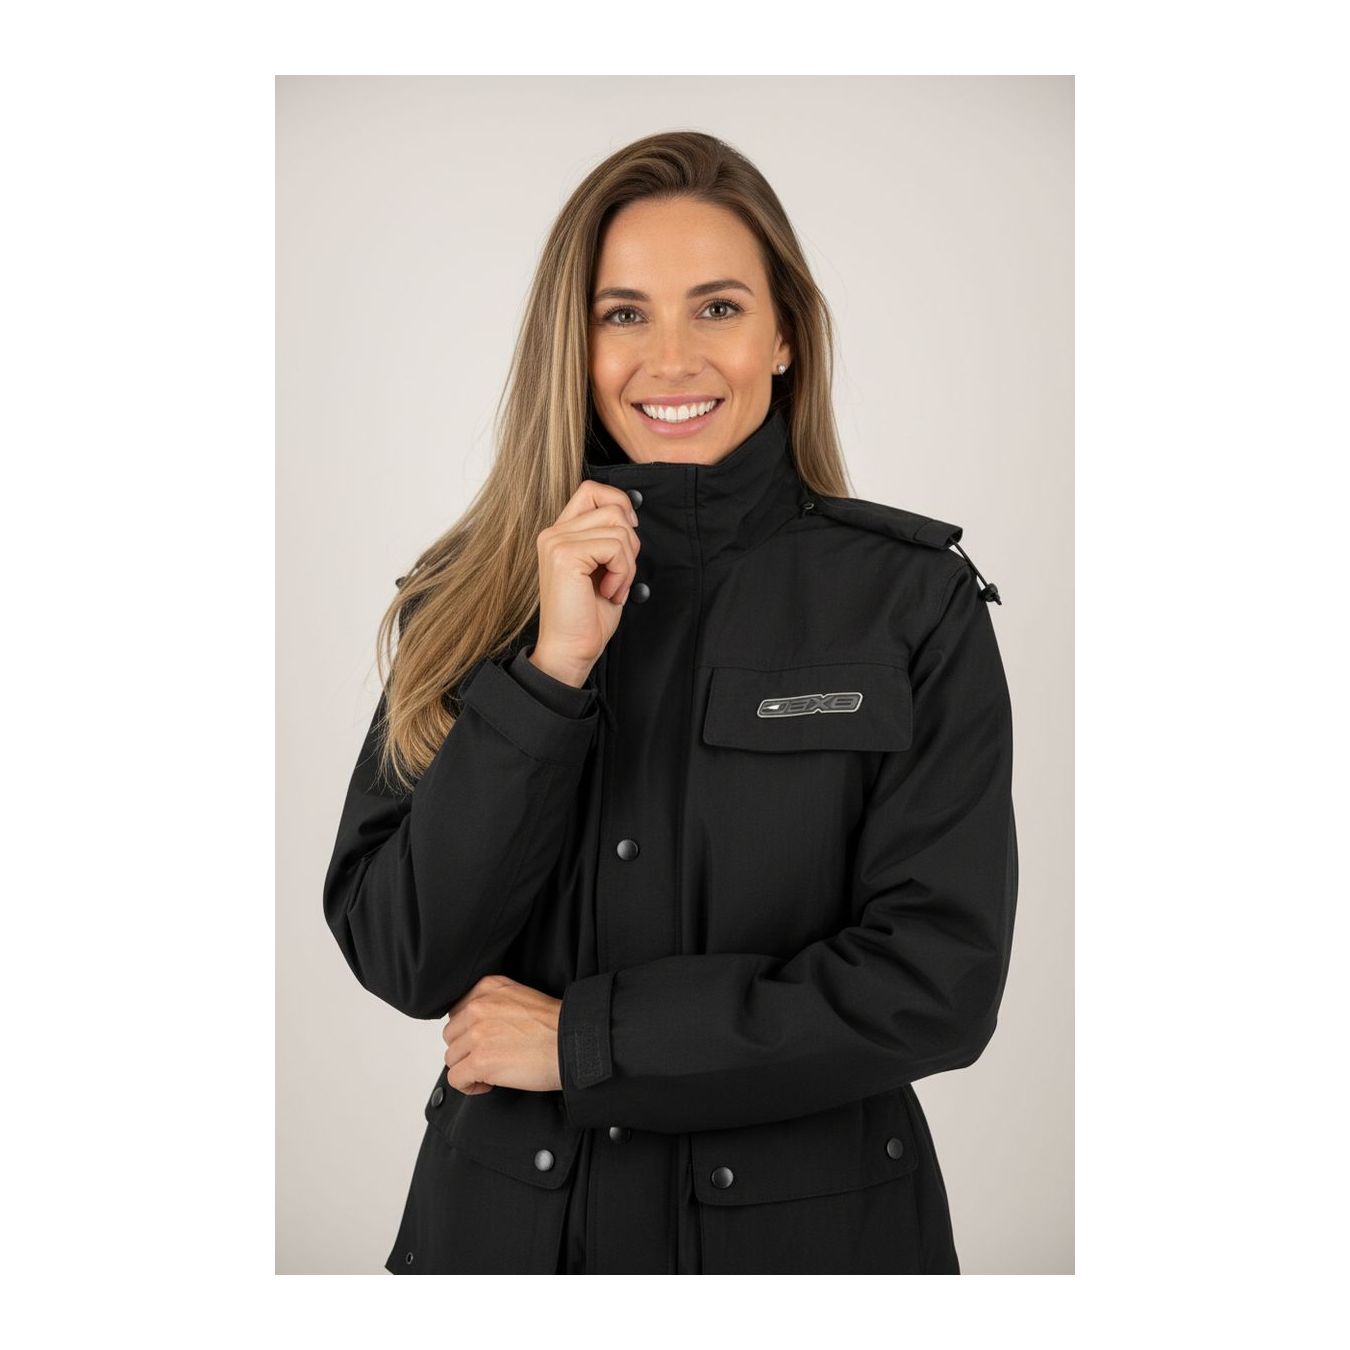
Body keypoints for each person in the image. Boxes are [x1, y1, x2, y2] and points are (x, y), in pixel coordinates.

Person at [321, 129, 1018, 1275]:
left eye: (719, 308)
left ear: (785, 335)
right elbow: (405, 952)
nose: (672, 357)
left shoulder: (910, 604)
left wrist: (585, 1043)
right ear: (576, 341)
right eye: (625, 314)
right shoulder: (471, 598)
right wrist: (549, 675)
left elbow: (937, 985)